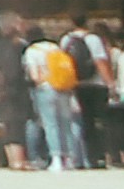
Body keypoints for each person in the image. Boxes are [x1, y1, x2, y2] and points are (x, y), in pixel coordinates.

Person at [26, 26, 83, 171]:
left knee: (51, 124)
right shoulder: (55, 47)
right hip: (64, 88)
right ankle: (70, 158)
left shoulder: (32, 51)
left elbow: (34, 75)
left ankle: (56, 158)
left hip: (46, 89)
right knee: (66, 124)